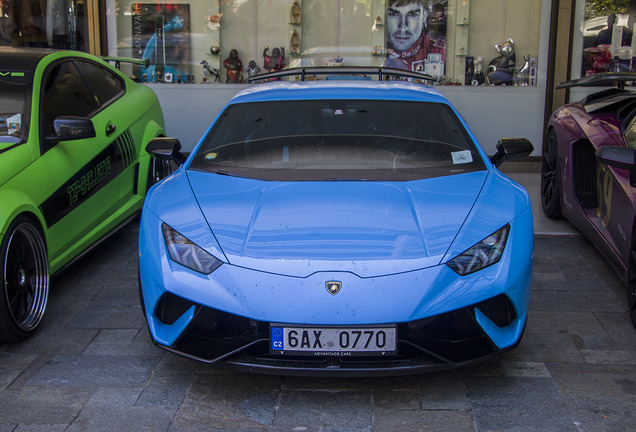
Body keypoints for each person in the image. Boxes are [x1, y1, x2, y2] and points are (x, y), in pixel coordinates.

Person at [384, 0, 446, 73]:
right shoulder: (378, 47)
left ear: (424, 16)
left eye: (412, 14)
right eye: (393, 14)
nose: (403, 28)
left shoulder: (438, 48)